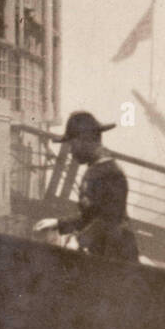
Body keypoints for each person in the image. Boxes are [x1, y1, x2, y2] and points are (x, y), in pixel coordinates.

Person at [33, 111, 139, 263]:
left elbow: (109, 219)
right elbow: (90, 216)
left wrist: (80, 240)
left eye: (72, 144)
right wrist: (58, 224)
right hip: (104, 255)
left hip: (117, 260)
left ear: (85, 139)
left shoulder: (111, 173)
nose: (70, 150)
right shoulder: (96, 169)